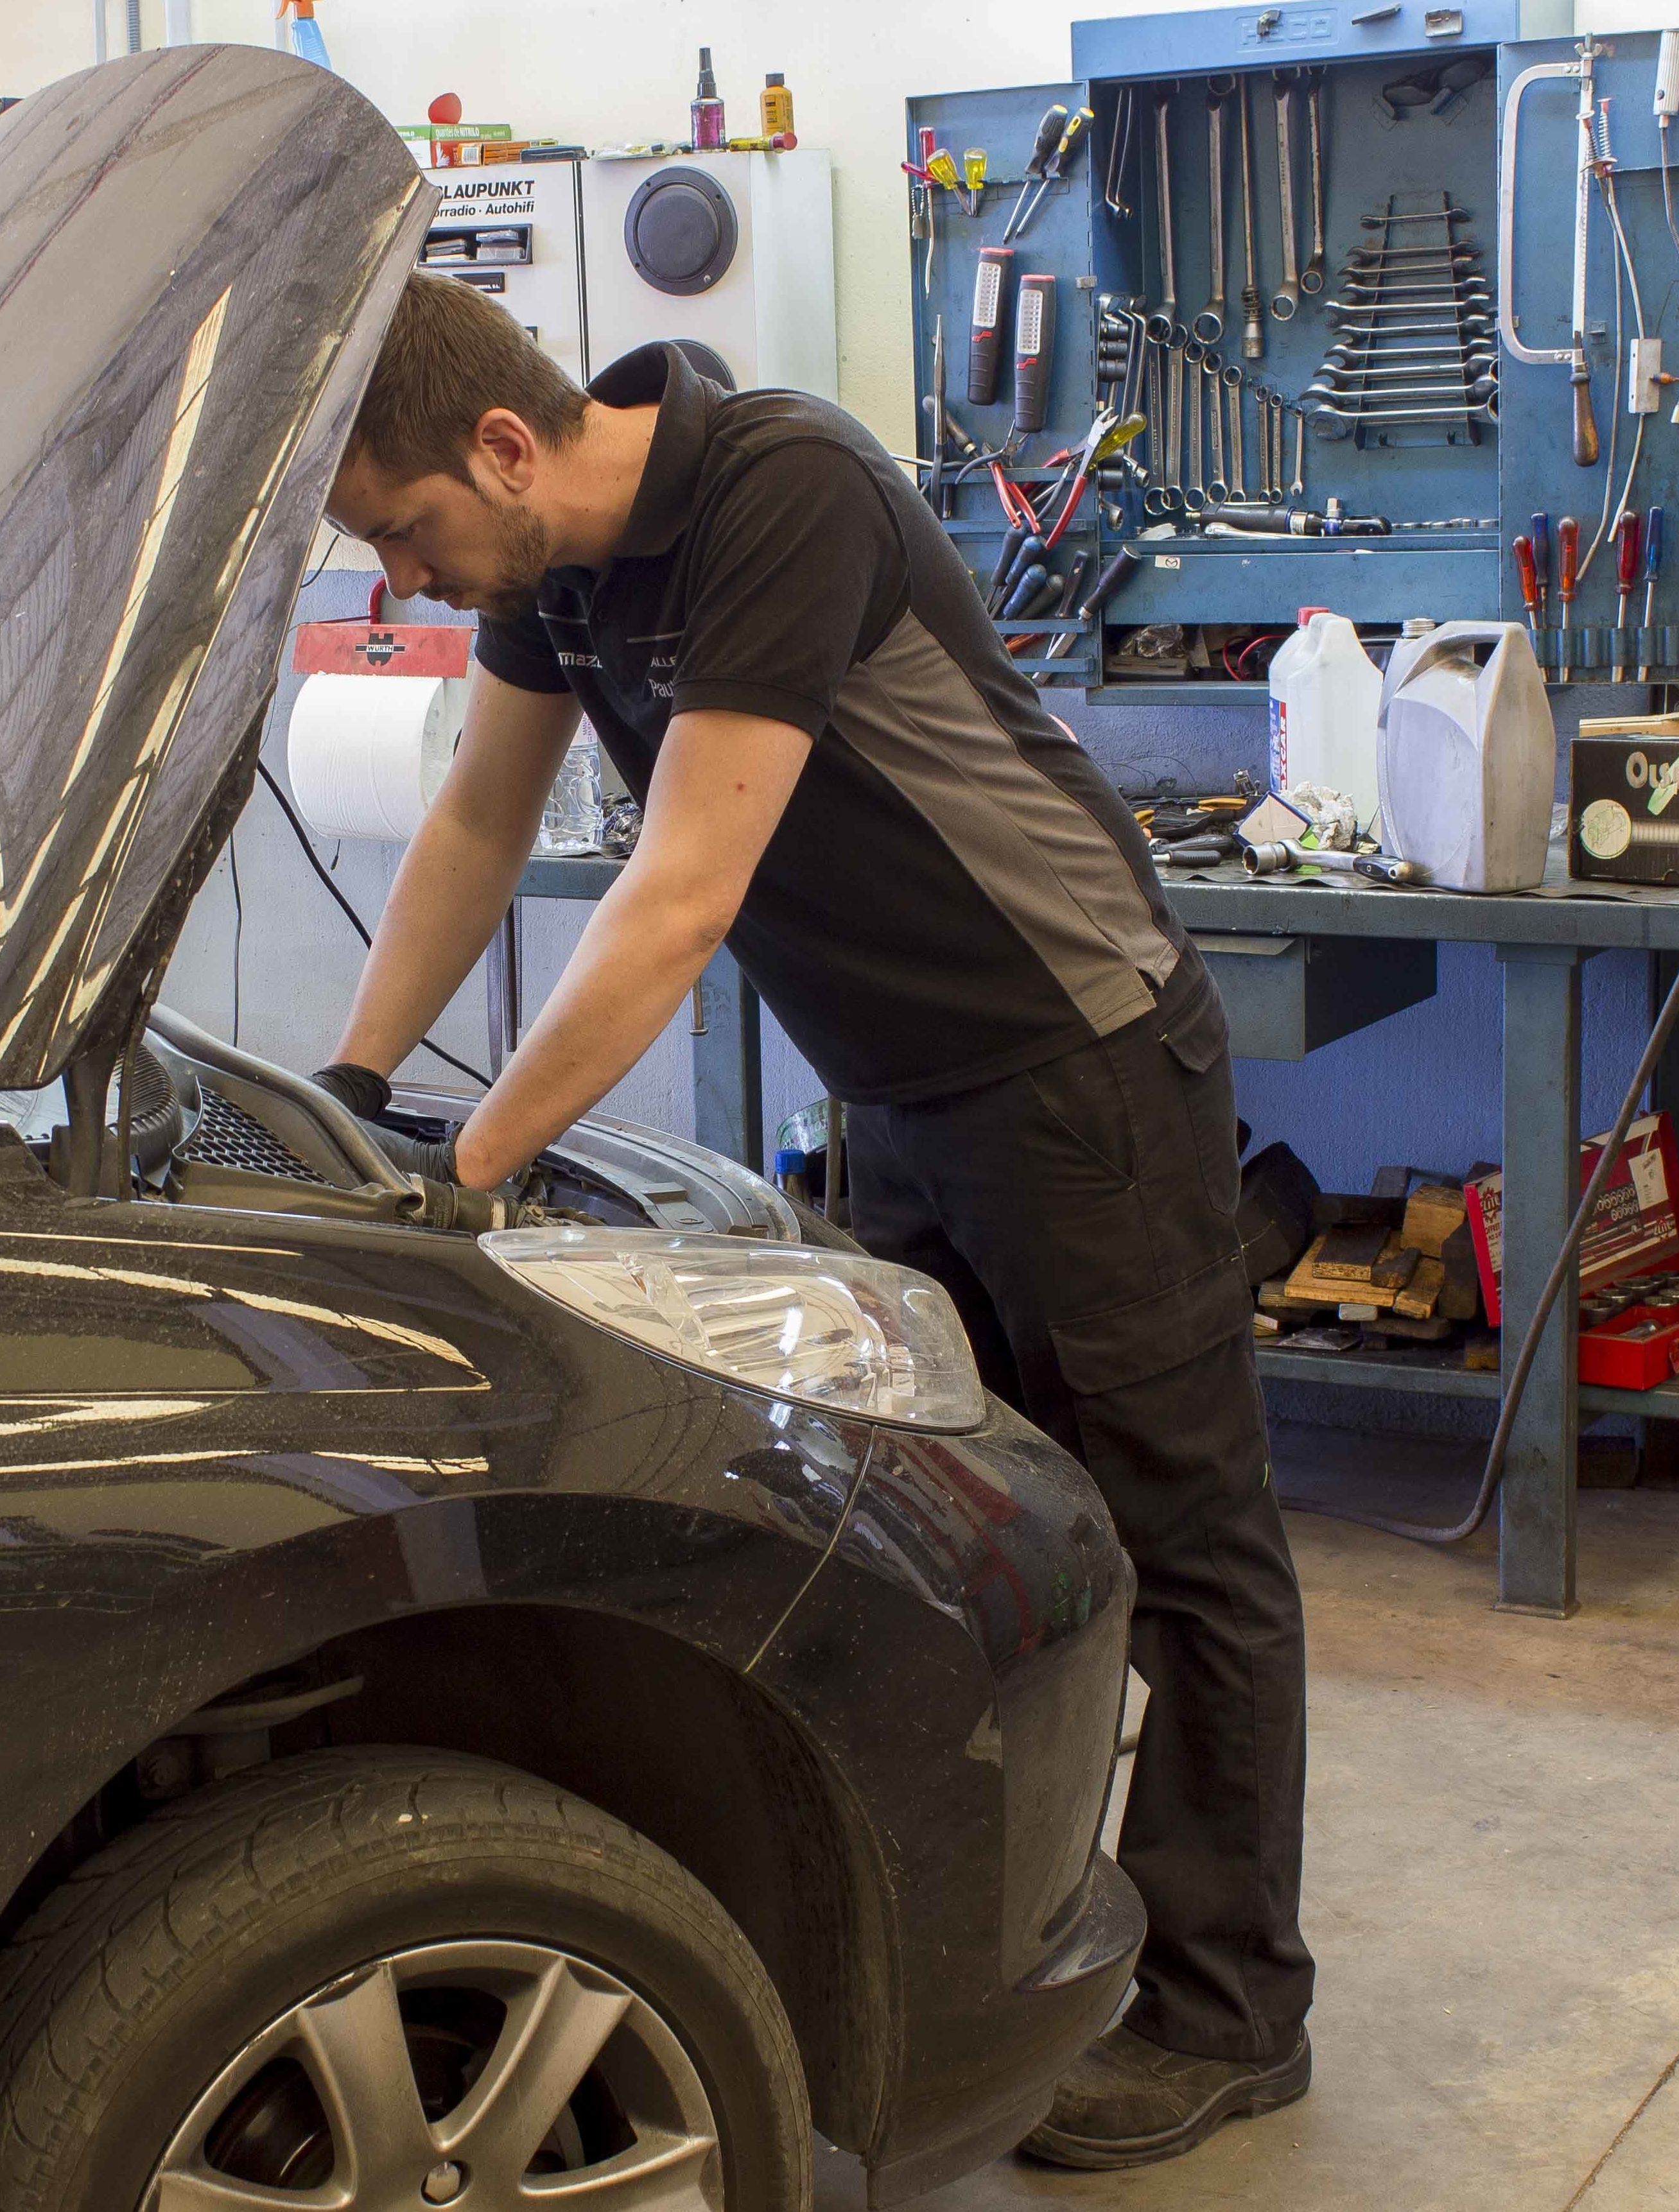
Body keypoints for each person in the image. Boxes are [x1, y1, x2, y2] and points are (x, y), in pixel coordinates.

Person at [311, 272, 1312, 2170]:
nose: (414, 578)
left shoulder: (782, 494)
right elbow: (474, 829)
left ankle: (1235, 2006)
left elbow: (681, 895)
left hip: (1075, 1061)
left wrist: (470, 1168)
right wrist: (352, 1092)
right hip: (908, 1086)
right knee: (965, 1536)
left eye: (408, 530)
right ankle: (1007, 1951)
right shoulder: (553, 570)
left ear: (505, 448)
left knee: (1181, 1536)